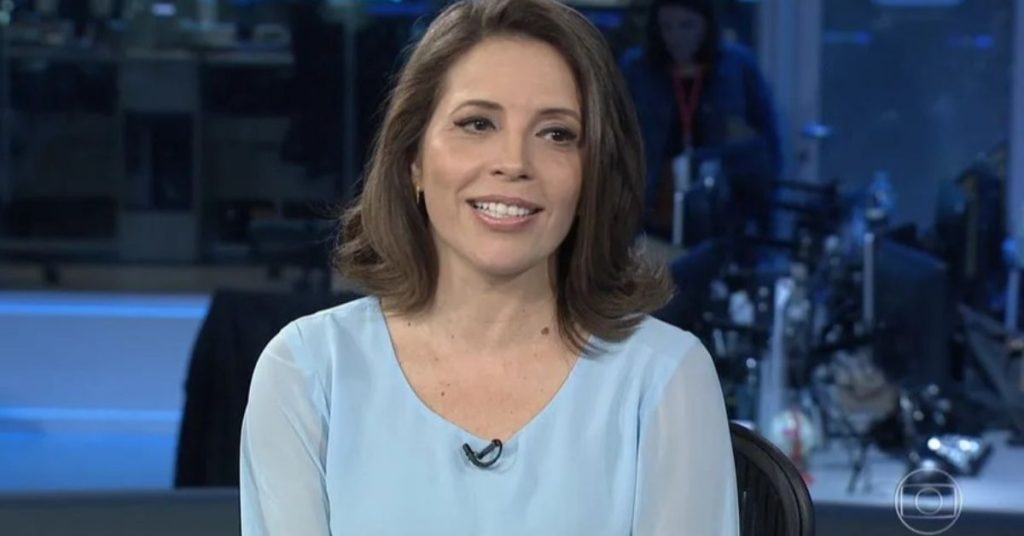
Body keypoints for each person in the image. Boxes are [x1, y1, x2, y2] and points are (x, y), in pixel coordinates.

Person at [239, 0, 738, 534]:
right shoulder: (310, 372)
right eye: (477, 123)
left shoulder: (665, 377)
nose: (514, 163)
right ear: (413, 160)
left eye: (556, 133)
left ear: (592, 174)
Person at [621, 0, 781, 245]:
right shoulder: (637, 70)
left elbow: (767, 149)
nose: (676, 36)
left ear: (706, 25)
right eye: (667, 26)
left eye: (687, 25)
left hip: (723, 214)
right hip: (653, 213)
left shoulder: (738, 67)